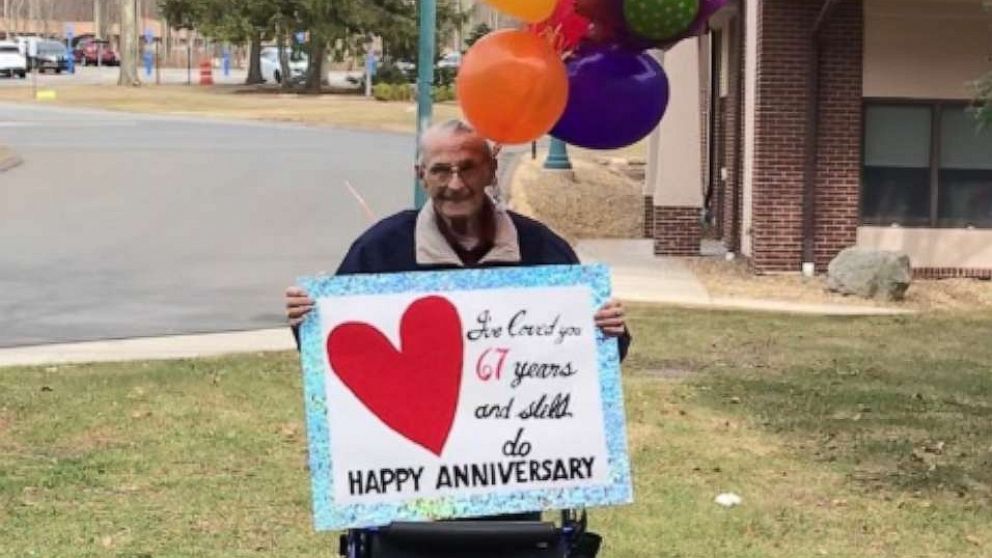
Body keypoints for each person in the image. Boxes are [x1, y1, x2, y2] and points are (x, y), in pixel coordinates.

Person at [285, 119, 630, 357]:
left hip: (517, 445)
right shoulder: (379, 250)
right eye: (440, 170)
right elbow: (336, 350)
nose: (455, 184)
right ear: (421, 176)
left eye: (467, 168)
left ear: (491, 171)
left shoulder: (542, 249)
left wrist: (609, 329)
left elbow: (594, 360)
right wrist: (309, 319)